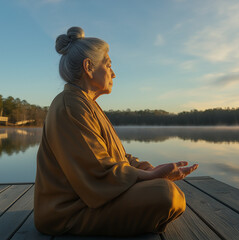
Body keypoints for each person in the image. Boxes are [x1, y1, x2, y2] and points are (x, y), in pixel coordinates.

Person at [34, 26, 198, 237]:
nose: (113, 73)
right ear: (88, 67)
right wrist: (150, 178)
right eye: (108, 64)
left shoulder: (86, 104)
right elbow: (98, 171)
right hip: (68, 212)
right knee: (164, 194)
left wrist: (149, 169)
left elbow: (117, 157)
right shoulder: (70, 105)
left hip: (92, 200)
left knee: (163, 188)